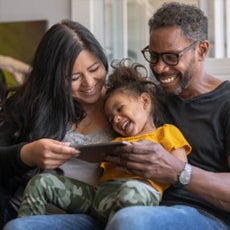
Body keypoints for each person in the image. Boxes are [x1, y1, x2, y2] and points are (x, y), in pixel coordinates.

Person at [16, 59, 191, 223]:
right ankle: (28, 224)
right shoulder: (116, 141)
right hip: (99, 196)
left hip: (137, 193)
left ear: (145, 101)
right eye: (110, 118)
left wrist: (149, 166)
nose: (116, 119)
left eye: (120, 108)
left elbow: (179, 168)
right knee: (41, 182)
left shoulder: (166, 132)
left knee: (131, 192)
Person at [105, 2, 230, 230]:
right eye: (153, 56)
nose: (160, 68)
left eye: (171, 57)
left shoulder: (226, 103)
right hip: (132, 202)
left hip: (205, 216)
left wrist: (179, 172)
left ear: (201, 50)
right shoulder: (148, 99)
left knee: (129, 221)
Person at [1, 19, 115, 230]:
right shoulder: (30, 104)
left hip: (89, 215)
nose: (89, 83)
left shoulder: (124, 103)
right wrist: (27, 154)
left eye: (94, 68)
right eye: (74, 78)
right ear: (53, 78)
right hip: (16, 211)